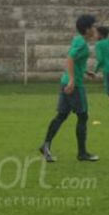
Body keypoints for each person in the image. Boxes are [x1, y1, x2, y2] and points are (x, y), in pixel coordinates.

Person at [39, 15, 99, 163]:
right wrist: (72, 80)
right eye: (93, 26)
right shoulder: (82, 44)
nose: (95, 29)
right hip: (74, 85)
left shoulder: (77, 39)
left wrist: (85, 71)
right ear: (87, 29)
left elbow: (75, 60)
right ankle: (82, 153)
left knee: (61, 116)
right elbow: (70, 58)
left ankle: (45, 145)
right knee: (83, 116)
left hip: (65, 82)